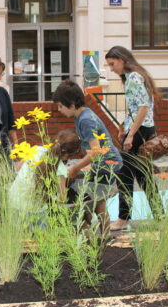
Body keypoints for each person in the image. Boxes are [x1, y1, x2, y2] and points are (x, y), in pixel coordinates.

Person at [105, 45, 165, 231]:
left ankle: (123, 218)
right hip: (145, 130)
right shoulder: (138, 76)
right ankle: (160, 215)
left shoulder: (132, 78)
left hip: (138, 134)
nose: (111, 69)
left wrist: (130, 135)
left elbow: (143, 107)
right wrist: (125, 126)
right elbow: (139, 108)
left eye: (112, 64)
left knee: (124, 175)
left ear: (122, 60)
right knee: (143, 175)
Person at [52, 79, 123, 234]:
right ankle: (96, 233)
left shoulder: (85, 120)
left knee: (96, 203)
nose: (59, 110)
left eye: (60, 106)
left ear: (71, 103)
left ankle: (101, 235)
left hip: (107, 165)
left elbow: (96, 151)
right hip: (102, 164)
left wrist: (76, 168)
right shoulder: (82, 116)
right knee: (94, 200)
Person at [10, 129, 81, 213]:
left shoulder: (36, 149)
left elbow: (18, 168)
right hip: (33, 211)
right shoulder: (60, 169)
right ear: (69, 155)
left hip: (12, 202)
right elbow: (61, 199)